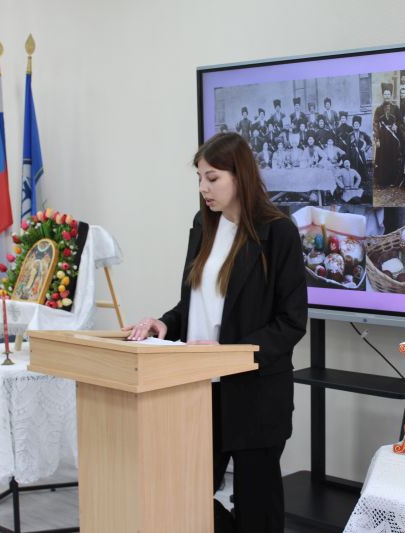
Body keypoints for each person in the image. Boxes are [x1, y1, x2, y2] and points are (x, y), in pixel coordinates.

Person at [124, 132, 307, 533]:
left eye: (212, 178)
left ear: (239, 176)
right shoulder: (202, 225)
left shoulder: (278, 232)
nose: (203, 188)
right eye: (199, 179)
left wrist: (228, 352)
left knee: (257, 512)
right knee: (183, 500)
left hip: (255, 395)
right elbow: (193, 305)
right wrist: (165, 323)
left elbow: (291, 322)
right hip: (199, 391)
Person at [373, 82, 402, 187]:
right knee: (382, 159)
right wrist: (377, 139)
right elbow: (375, 124)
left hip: (392, 137)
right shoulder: (378, 109)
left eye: (388, 94)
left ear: (391, 95)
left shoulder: (395, 108)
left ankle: (392, 181)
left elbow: (400, 120)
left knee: (392, 158)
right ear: (383, 95)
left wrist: (396, 125)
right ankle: (383, 181)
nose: (387, 96)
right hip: (383, 137)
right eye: (385, 94)